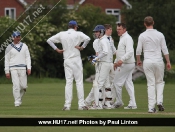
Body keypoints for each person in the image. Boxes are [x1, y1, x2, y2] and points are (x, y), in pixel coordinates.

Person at [47, 20, 90, 110]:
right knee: (79, 82)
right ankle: (81, 105)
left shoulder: (62, 34)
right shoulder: (78, 33)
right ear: (75, 27)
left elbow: (49, 40)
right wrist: (82, 47)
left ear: (68, 26)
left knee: (69, 82)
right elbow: (88, 39)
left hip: (67, 60)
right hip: (76, 59)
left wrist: (57, 49)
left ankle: (67, 105)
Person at [136, 16, 171, 113]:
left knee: (150, 84)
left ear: (144, 24)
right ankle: (159, 101)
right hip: (158, 61)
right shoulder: (160, 34)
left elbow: (138, 50)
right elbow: (164, 49)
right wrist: (168, 61)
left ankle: (151, 107)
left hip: (148, 62)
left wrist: (138, 60)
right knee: (159, 82)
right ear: (153, 23)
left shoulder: (142, 35)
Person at [91, 24, 116, 109]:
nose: (95, 33)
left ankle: (97, 105)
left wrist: (96, 58)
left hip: (104, 63)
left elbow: (105, 52)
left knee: (98, 84)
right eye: (95, 32)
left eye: (97, 32)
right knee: (107, 84)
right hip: (108, 63)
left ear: (101, 32)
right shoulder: (106, 40)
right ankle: (107, 104)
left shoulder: (102, 40)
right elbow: (111, 52)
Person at [112, 23, 137, 109]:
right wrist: (116, 61)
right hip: (127, 63)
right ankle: (133, 103)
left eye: (119, 29)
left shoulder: (127, 38)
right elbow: (120, 52)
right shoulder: (122, 38)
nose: (117, 31)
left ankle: (119, 102)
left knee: (116, 82)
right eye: (117, 29)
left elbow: (130, 52)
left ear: (124, 29)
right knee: (128, 83)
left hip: (126, 64)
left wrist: (121, 60)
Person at [4, 31, 31, 107]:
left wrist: (28, 67)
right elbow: (7, 60)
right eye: (16, 37)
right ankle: (17, 101)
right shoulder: (9, 47)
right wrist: (7, 71)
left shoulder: (24, 46)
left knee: (24, 86)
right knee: (16, 85)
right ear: (13, 38)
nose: (18, 38)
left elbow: (28, 57)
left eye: (19, 36)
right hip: (13, 68)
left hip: (22, 67)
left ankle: (19, 99)